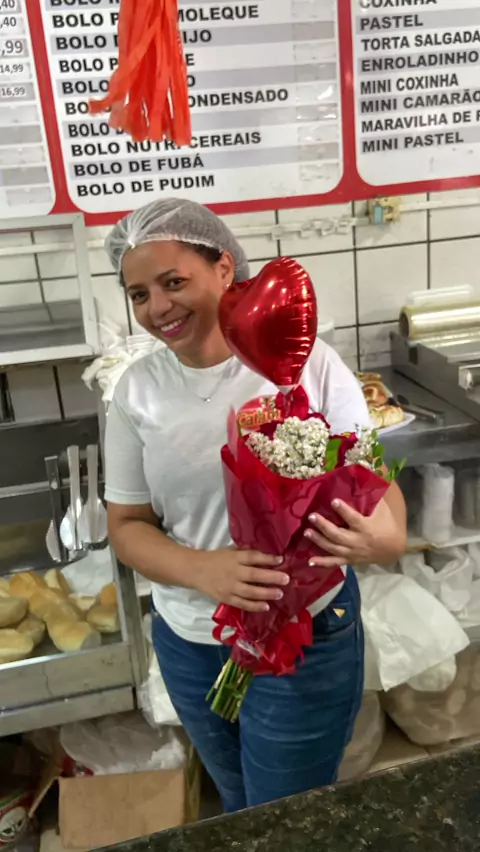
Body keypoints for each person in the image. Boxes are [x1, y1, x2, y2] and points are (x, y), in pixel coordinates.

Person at [104, 198, 407, 812]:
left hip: (305, 633)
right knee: (239, 805)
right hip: (191, 639)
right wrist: (203, 569)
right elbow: (127, 526)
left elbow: (373, 480)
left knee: (284, 813)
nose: (157, 307)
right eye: (139, 294)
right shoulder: (137, 391)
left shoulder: (307, 363)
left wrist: (387, 537)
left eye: (173, 282)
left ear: (224, 268)